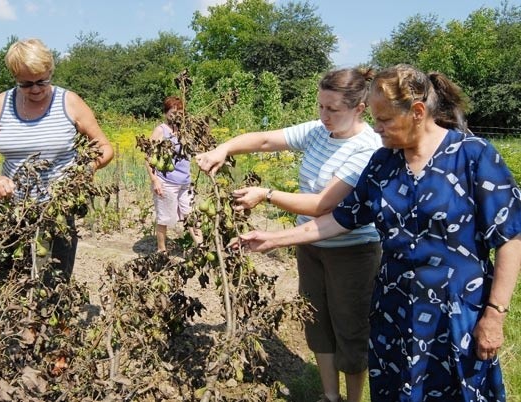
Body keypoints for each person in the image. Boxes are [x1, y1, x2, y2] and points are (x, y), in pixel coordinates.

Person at [238, 64, 521, 401]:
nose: (376, 127)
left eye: (385, 120)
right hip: (394, 310)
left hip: (457, 311)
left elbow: (509, 238)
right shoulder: (383, 163)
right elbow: (340, 218)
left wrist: (494, 313)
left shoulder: (474, 156)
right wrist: (273, 239)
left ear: (417, 112)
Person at [196, 68, 382, 402]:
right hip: (309, 244)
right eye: (321, 106)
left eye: (333, 109)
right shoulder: (318, 131)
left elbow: (322, 205)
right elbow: (266, 140)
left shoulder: (367, 149)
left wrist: (266, 194)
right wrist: (223, 149)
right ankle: (329, 395)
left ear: (359, 108)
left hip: (352, 252)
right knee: (316, 322)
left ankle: (353, 399)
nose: (324, 115)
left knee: (351, 330)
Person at [0, 38, 113, 282]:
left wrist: (86, 170)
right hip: (13, 212)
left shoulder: (69, 102)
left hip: (57, 209)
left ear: (50, 72)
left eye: (42, 81)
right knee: (11, 281)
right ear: (14, 76)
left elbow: (104, 147)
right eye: (25, 84)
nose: (35, 89)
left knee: (53, 282)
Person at [147, 96, 200, 253]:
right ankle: (161, 250)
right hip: (166, 182)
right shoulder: (160, 131)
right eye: (172, 112)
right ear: (166, 113)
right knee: (164, 218)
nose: (176, 115)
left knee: (191, 216)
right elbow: (148, 157)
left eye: (179, 112)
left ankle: (201, 246)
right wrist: (154, 180)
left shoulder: (185, 131)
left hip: (185, 182)